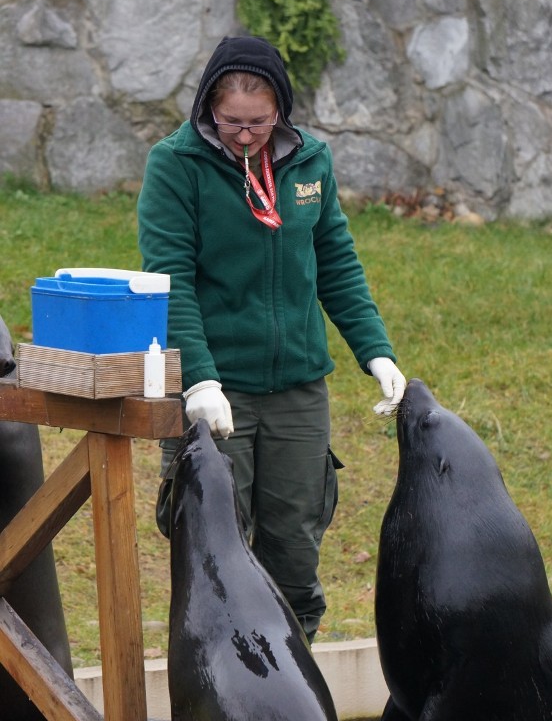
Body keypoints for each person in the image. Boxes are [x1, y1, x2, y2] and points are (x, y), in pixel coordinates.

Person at [138, 35, 406, 643]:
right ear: (208, 107)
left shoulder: (311, 161)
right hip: (218, 392)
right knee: (215, 556)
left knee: (293, 555)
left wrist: (376, 351)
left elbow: (336, 260)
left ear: (280, 110)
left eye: (258, 122)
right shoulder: (176, 164)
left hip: (297, 391)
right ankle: (215, 706)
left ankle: (294, 699)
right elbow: (169, 280)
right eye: (230, 121)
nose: (244, 135)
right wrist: (200, 380)